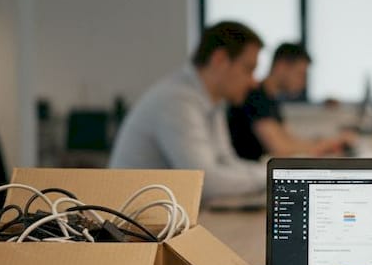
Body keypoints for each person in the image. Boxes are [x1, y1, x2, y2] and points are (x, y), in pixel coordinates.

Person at [109, 21, 266, 199]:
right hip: (133, 221)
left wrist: (273, 174)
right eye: (249, 69)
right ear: (220, 59)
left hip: (162, 216)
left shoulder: (212, 101)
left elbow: (226, 161)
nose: (254, 82)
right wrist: (270, 178)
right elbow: (206, 183)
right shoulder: (176, 100)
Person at [227, 43, 352, 160]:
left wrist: (325, 144)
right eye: (300, 74)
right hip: (249, 174)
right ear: (282, 66)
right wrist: (324, 146)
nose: (304, 82)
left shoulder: (271, 99)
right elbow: (281, 149)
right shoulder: (256, 96)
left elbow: (289, 140)